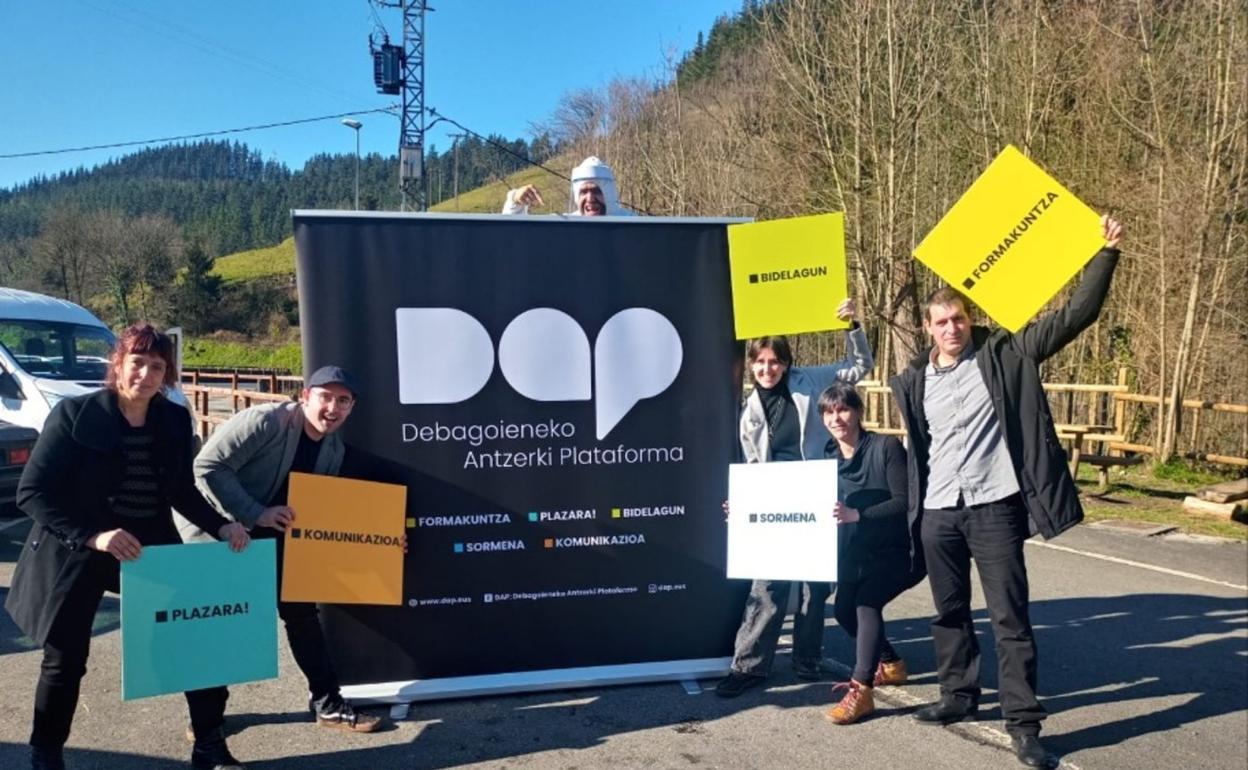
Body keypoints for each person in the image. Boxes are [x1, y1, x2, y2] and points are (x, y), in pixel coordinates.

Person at [891, 215, 1124, 768]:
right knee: (948, 613)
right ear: (927, 328)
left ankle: (1024, 725)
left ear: (970, 319)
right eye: (941, 321)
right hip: (940, 511)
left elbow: (1076, 315)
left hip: (995, 507)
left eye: (959, 318)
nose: (951, 328)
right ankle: (957, 695)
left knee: (1010, 619)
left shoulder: (1007, 354)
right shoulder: (914, 380)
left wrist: (1106, 253)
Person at [4, 324, 251, 770]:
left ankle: (209, 745)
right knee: (65, 660)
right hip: (77, 547)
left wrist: (221, 526)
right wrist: (93, 535)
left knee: (199, 639)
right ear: (118, 364)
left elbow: (181, 489)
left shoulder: (173, 420)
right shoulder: (74, 415)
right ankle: (46, 755)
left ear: (166, 375)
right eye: (137, 362)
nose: (146, 374)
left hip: (148, 547)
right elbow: (33, 492)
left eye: (157, 367)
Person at [177, 365, 385, 736]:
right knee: (223, 625)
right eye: (325, 397)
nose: (332, 408)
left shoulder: (333, 449)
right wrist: (255, 512)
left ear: (351, 407)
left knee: (302, 614)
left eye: (343, 401)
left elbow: (330, 509)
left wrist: (383, 542)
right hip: (221, 532)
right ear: (305, 396)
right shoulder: (265, 422)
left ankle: (328, 703)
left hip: (277, 536)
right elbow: (206, 466)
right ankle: (208, 720)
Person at [716, 299, 874, 698]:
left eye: (775, 362)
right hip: (772, 500)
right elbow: (750, 463)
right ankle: (749, 666)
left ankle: (807, 659)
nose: (767, 369)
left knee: (813, 588)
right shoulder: (746, 407)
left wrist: (852, 325)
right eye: (760, 362)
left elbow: (859, 366)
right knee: (766, 587)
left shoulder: (812, 380)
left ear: (786, 364)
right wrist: (742, 503)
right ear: (751, 365)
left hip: (815, 493)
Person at [816, 382, 923, 725]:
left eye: (843, 409)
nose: (836, 418)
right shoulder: (827, 457)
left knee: (866, 602)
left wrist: (857, 514)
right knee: (843, 611)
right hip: (861, 549)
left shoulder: (886, 447)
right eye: (829, 412)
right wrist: (745, 508)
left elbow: (906, 499)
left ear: (859, 411)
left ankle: (861, 691)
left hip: (901, 548)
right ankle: (891, 663)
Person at [501, 156, 635, 216]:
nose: (590, 198)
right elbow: (513, 236)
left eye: (596, 191)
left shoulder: (633, 225)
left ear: (609, 194)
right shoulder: (565, 226)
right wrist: (515, 200)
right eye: (584, 192)